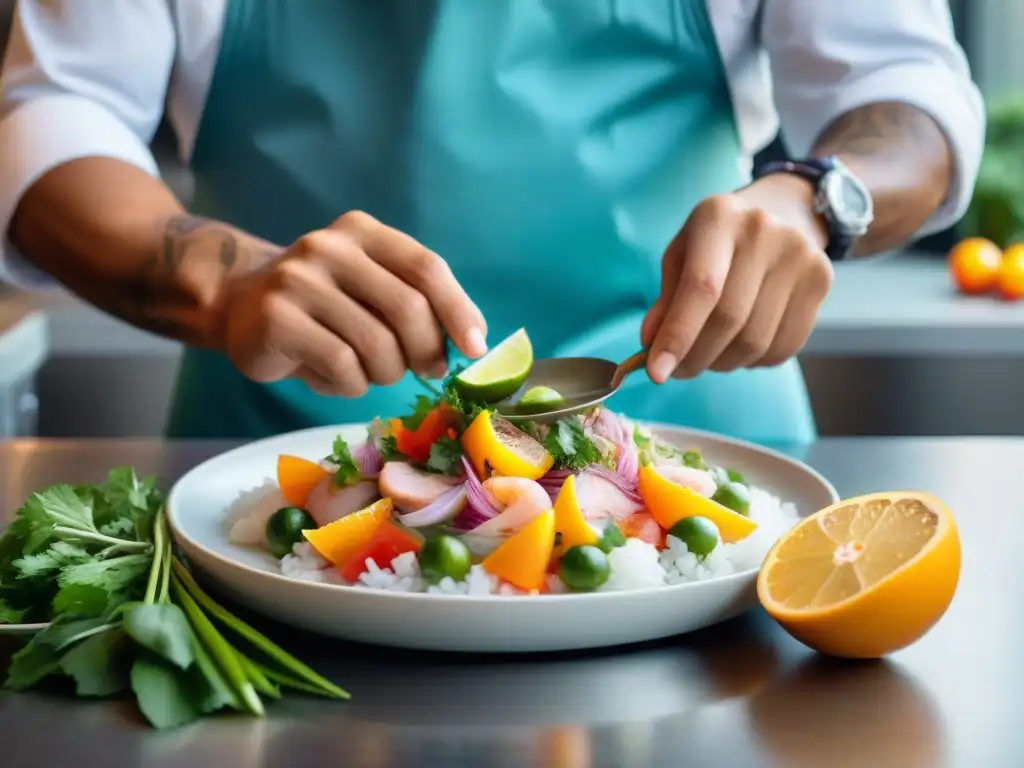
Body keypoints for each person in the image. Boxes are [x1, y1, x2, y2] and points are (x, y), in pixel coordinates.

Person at [0, 1, 982, 444]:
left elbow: (903, 93)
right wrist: (228, 281)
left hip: (697, 482)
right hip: (283, 497)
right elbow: (50, 117)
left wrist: (817, 198)